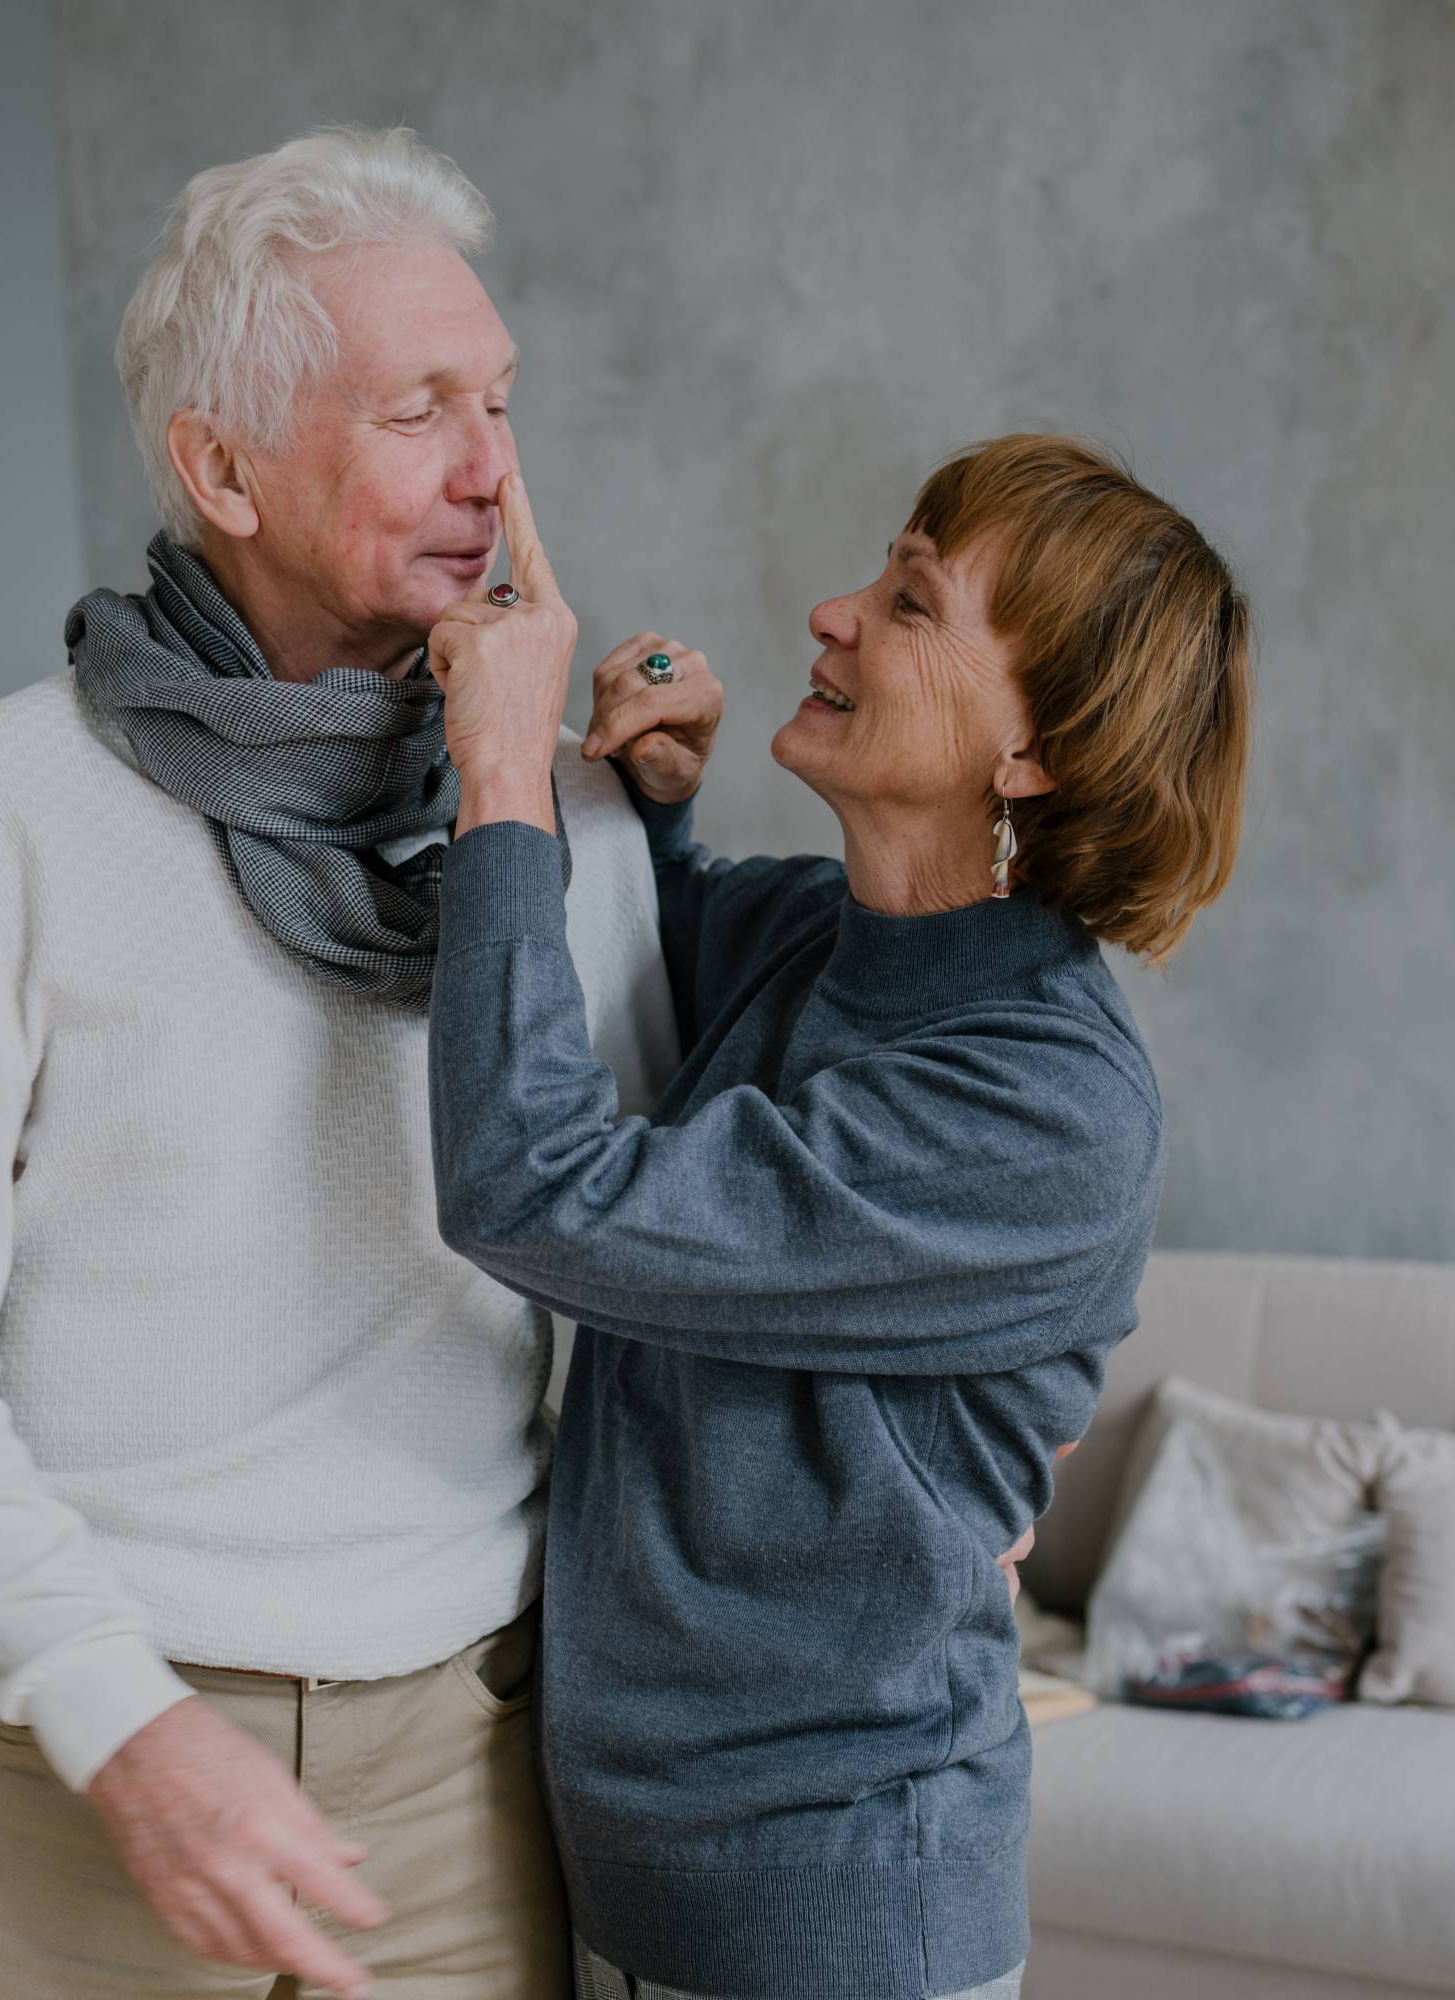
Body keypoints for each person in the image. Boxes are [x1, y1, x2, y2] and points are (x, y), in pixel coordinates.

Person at [0, 128, 681, 2000]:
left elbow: (666, 1256)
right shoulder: (5, 808)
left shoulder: (554, 803)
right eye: (421, 409)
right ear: (220, 466)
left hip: (471, 1760)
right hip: (81, 1767)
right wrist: (121, 1722)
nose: (494, 468)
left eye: (500, 400)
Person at [423, 438, 1253, 2000]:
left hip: (834, 1910)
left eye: (913, 603)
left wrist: (500, 770)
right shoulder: (822, 938)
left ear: (1036, 754)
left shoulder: (1044, 1108)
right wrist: (651, 811)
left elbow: (536, 1185)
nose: (832, 613)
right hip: (639, 1870)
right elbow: (633, 960)